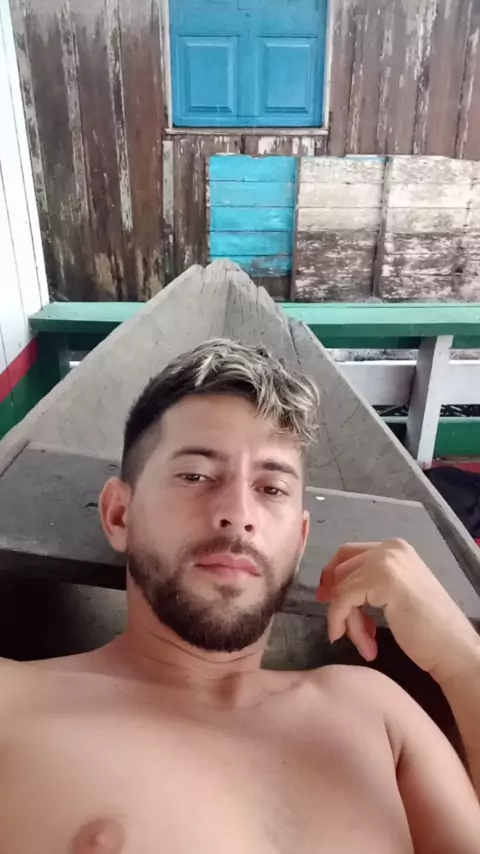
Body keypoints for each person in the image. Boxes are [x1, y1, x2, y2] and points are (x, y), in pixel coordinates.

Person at [1, 339, 480, 854]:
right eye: (195, 476)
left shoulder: (376, 712)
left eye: (272, 489)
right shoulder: (14, 703)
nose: (238, 513)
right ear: (120, 515)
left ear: (299, 541)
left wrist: (461, 658)